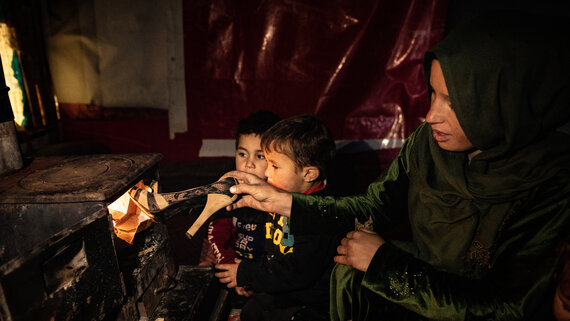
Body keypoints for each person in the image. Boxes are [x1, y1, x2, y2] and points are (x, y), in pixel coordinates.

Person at [224, 11, 570, 320]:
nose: (431, 116)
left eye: (455, 102)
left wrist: (385, 264)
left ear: (505, 103)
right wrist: (282, 201)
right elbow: (372, 208)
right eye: (433, 94)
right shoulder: (428, 146)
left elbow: (505, 309)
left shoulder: (552, 184)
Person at [215, 114, 341, 321]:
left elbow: (298, 271)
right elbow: (273, 251)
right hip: (282, 292)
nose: (267, 173)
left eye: (274, 166)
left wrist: (247, 274)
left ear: (309, 174)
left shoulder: (318, 216)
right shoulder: (282, 196)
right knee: (251, 311)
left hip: (310, 302)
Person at [206, 110, 280, 317]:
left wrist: (251, 275)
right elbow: (217, 234)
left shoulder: (282, 199)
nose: (248, 164)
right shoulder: (227, 193)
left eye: (260, 156)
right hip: (235, 271)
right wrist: (231, 269)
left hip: (271, 279)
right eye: (242, 154)